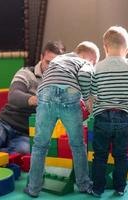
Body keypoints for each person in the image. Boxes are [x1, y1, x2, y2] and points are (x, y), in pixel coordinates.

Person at [24, 41, 100, 197]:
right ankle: (84, 184)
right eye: (95, 63)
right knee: (77, 144)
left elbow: (50, 79)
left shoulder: (60, 58)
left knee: (40, 145)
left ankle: (33, 188)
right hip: (69, 93)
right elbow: (85, 75)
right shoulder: (85, 63)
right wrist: (86, 98)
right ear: (90, 58)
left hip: (45, 93)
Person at [89, 26, 128, 197]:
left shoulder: (98, 68)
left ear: (105, 47)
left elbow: (92, 92)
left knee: (99, 155)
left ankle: (97, 189)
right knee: (121, 155)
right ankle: (120, 187)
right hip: (123, 117)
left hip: (102, 117)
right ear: (127, 48)